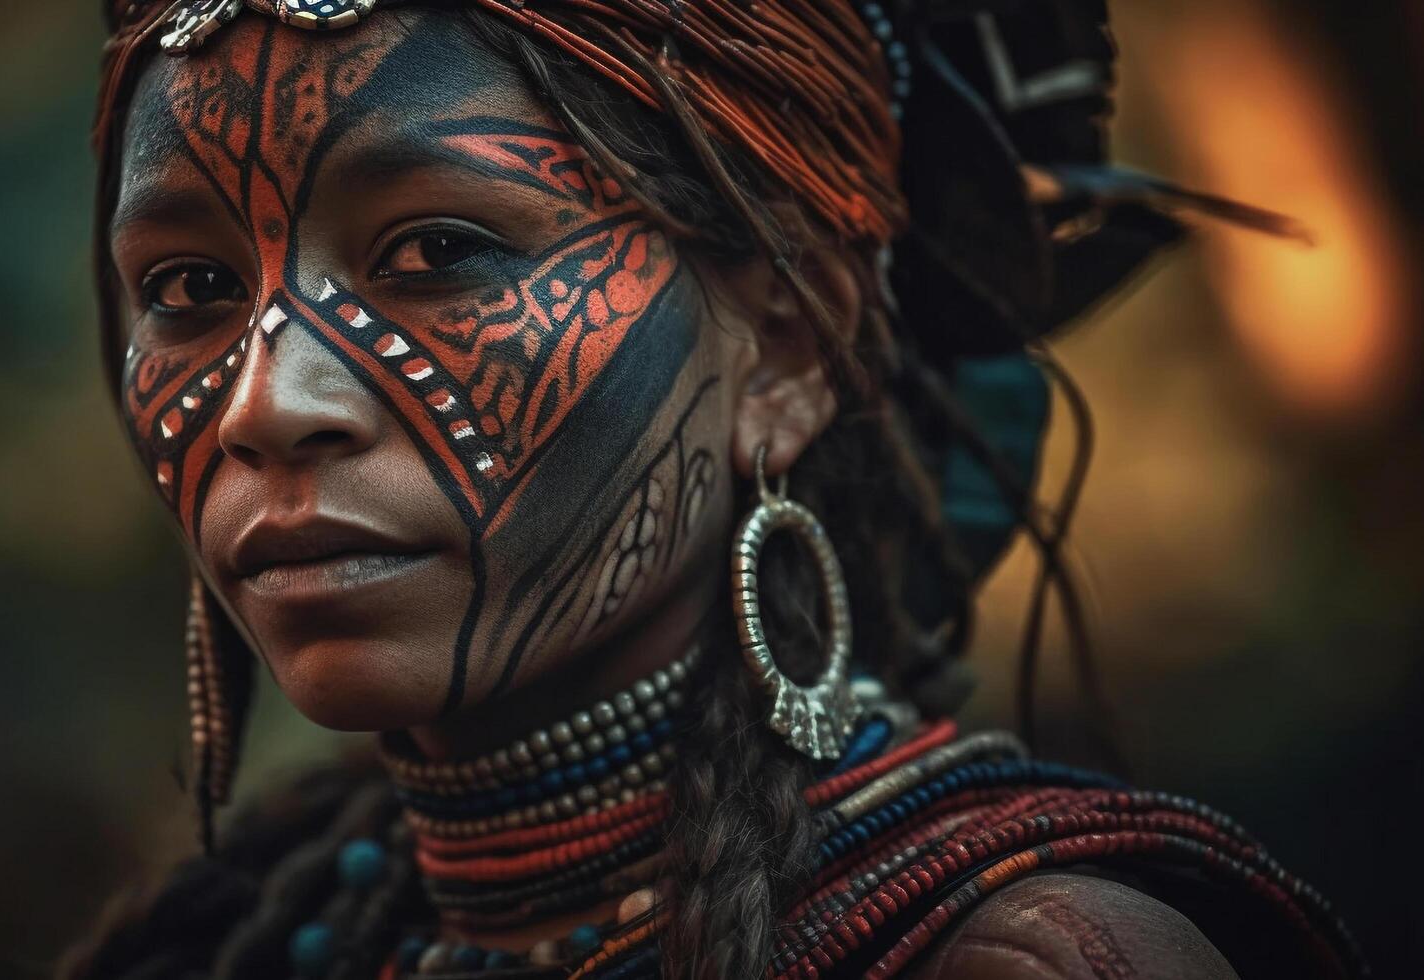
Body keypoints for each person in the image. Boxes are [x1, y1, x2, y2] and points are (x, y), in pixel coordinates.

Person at [67, 1, 1363, 977]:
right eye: (188, 290)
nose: (264, 402)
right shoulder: (266, 933)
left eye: (439, 251)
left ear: (787, 348)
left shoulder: (1027, 959)